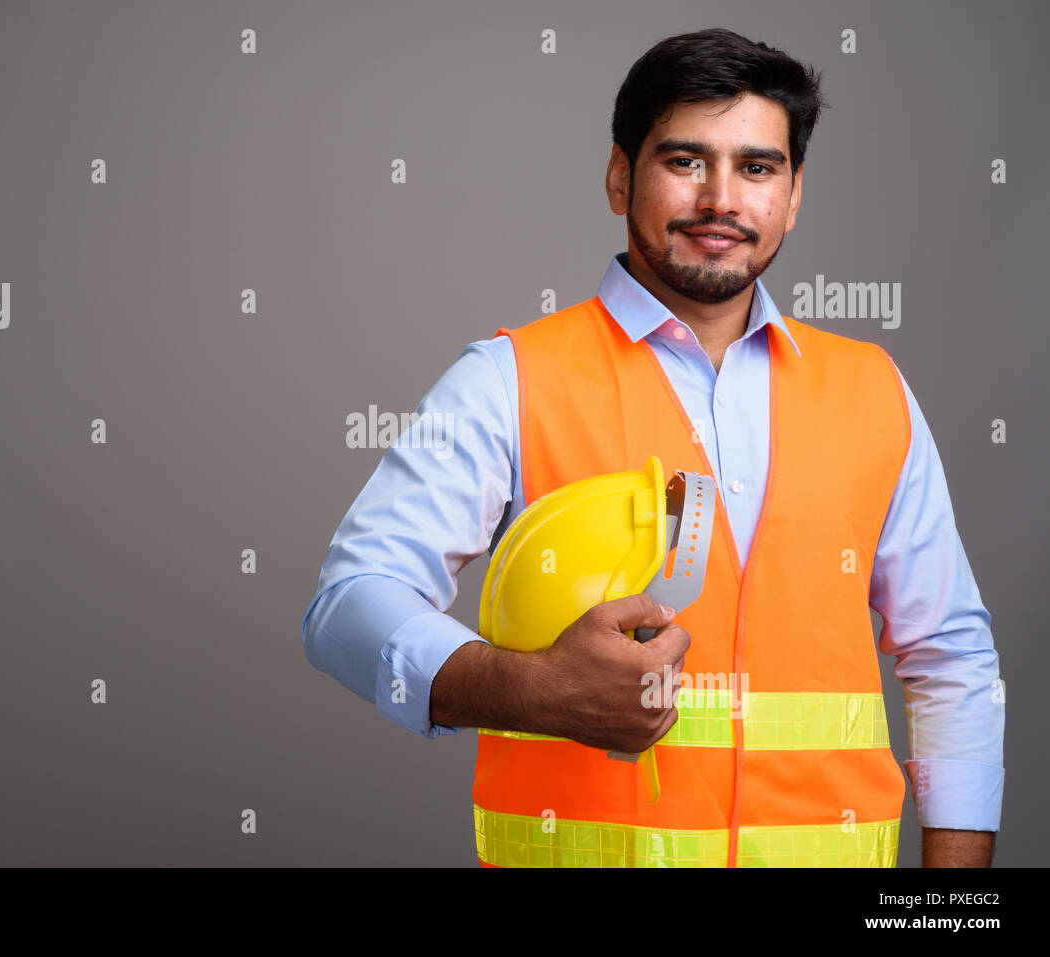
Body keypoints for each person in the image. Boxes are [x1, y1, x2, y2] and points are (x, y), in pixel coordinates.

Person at [301, 27, 1002, 867]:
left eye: (756, 167)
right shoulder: (509, 378)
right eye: (684, 160)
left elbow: (951, 658)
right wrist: (534, 691)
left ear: (794, 192)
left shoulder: (873, 389)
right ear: (618, 174)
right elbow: (349, 602)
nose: (721, 200)